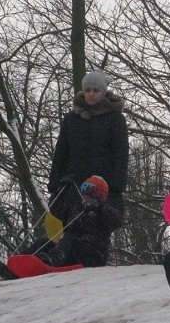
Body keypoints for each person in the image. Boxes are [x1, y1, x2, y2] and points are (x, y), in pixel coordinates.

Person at [46, 70, 129, 265]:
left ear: (103, 92)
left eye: (95, 90)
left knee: (94, 225)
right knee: (71, 223)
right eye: (87, 90)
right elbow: (61, 152)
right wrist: (55, 183)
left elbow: (121, 152)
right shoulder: (72, 120)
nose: (91, 94)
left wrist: (116, 185)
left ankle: (88, 258)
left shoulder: (115, 119)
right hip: (74, 181)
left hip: (102, 183)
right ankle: (52, 260)